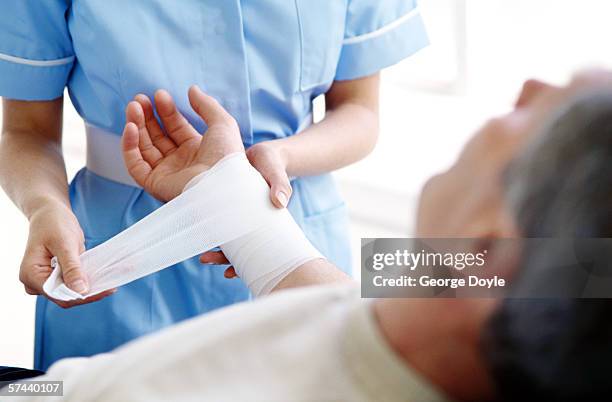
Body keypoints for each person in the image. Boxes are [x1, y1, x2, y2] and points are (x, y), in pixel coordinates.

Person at [8, 69, 612, 401]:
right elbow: (564, 276)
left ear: (489, 244)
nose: (530, 85)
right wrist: (229, 196)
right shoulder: (446, 305)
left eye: (548, 114)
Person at [0, 1, 429, 370]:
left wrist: (276, 160)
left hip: (289, 220)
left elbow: (360, 112)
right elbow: (25, 130)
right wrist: (44, 206)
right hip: (120, 254)